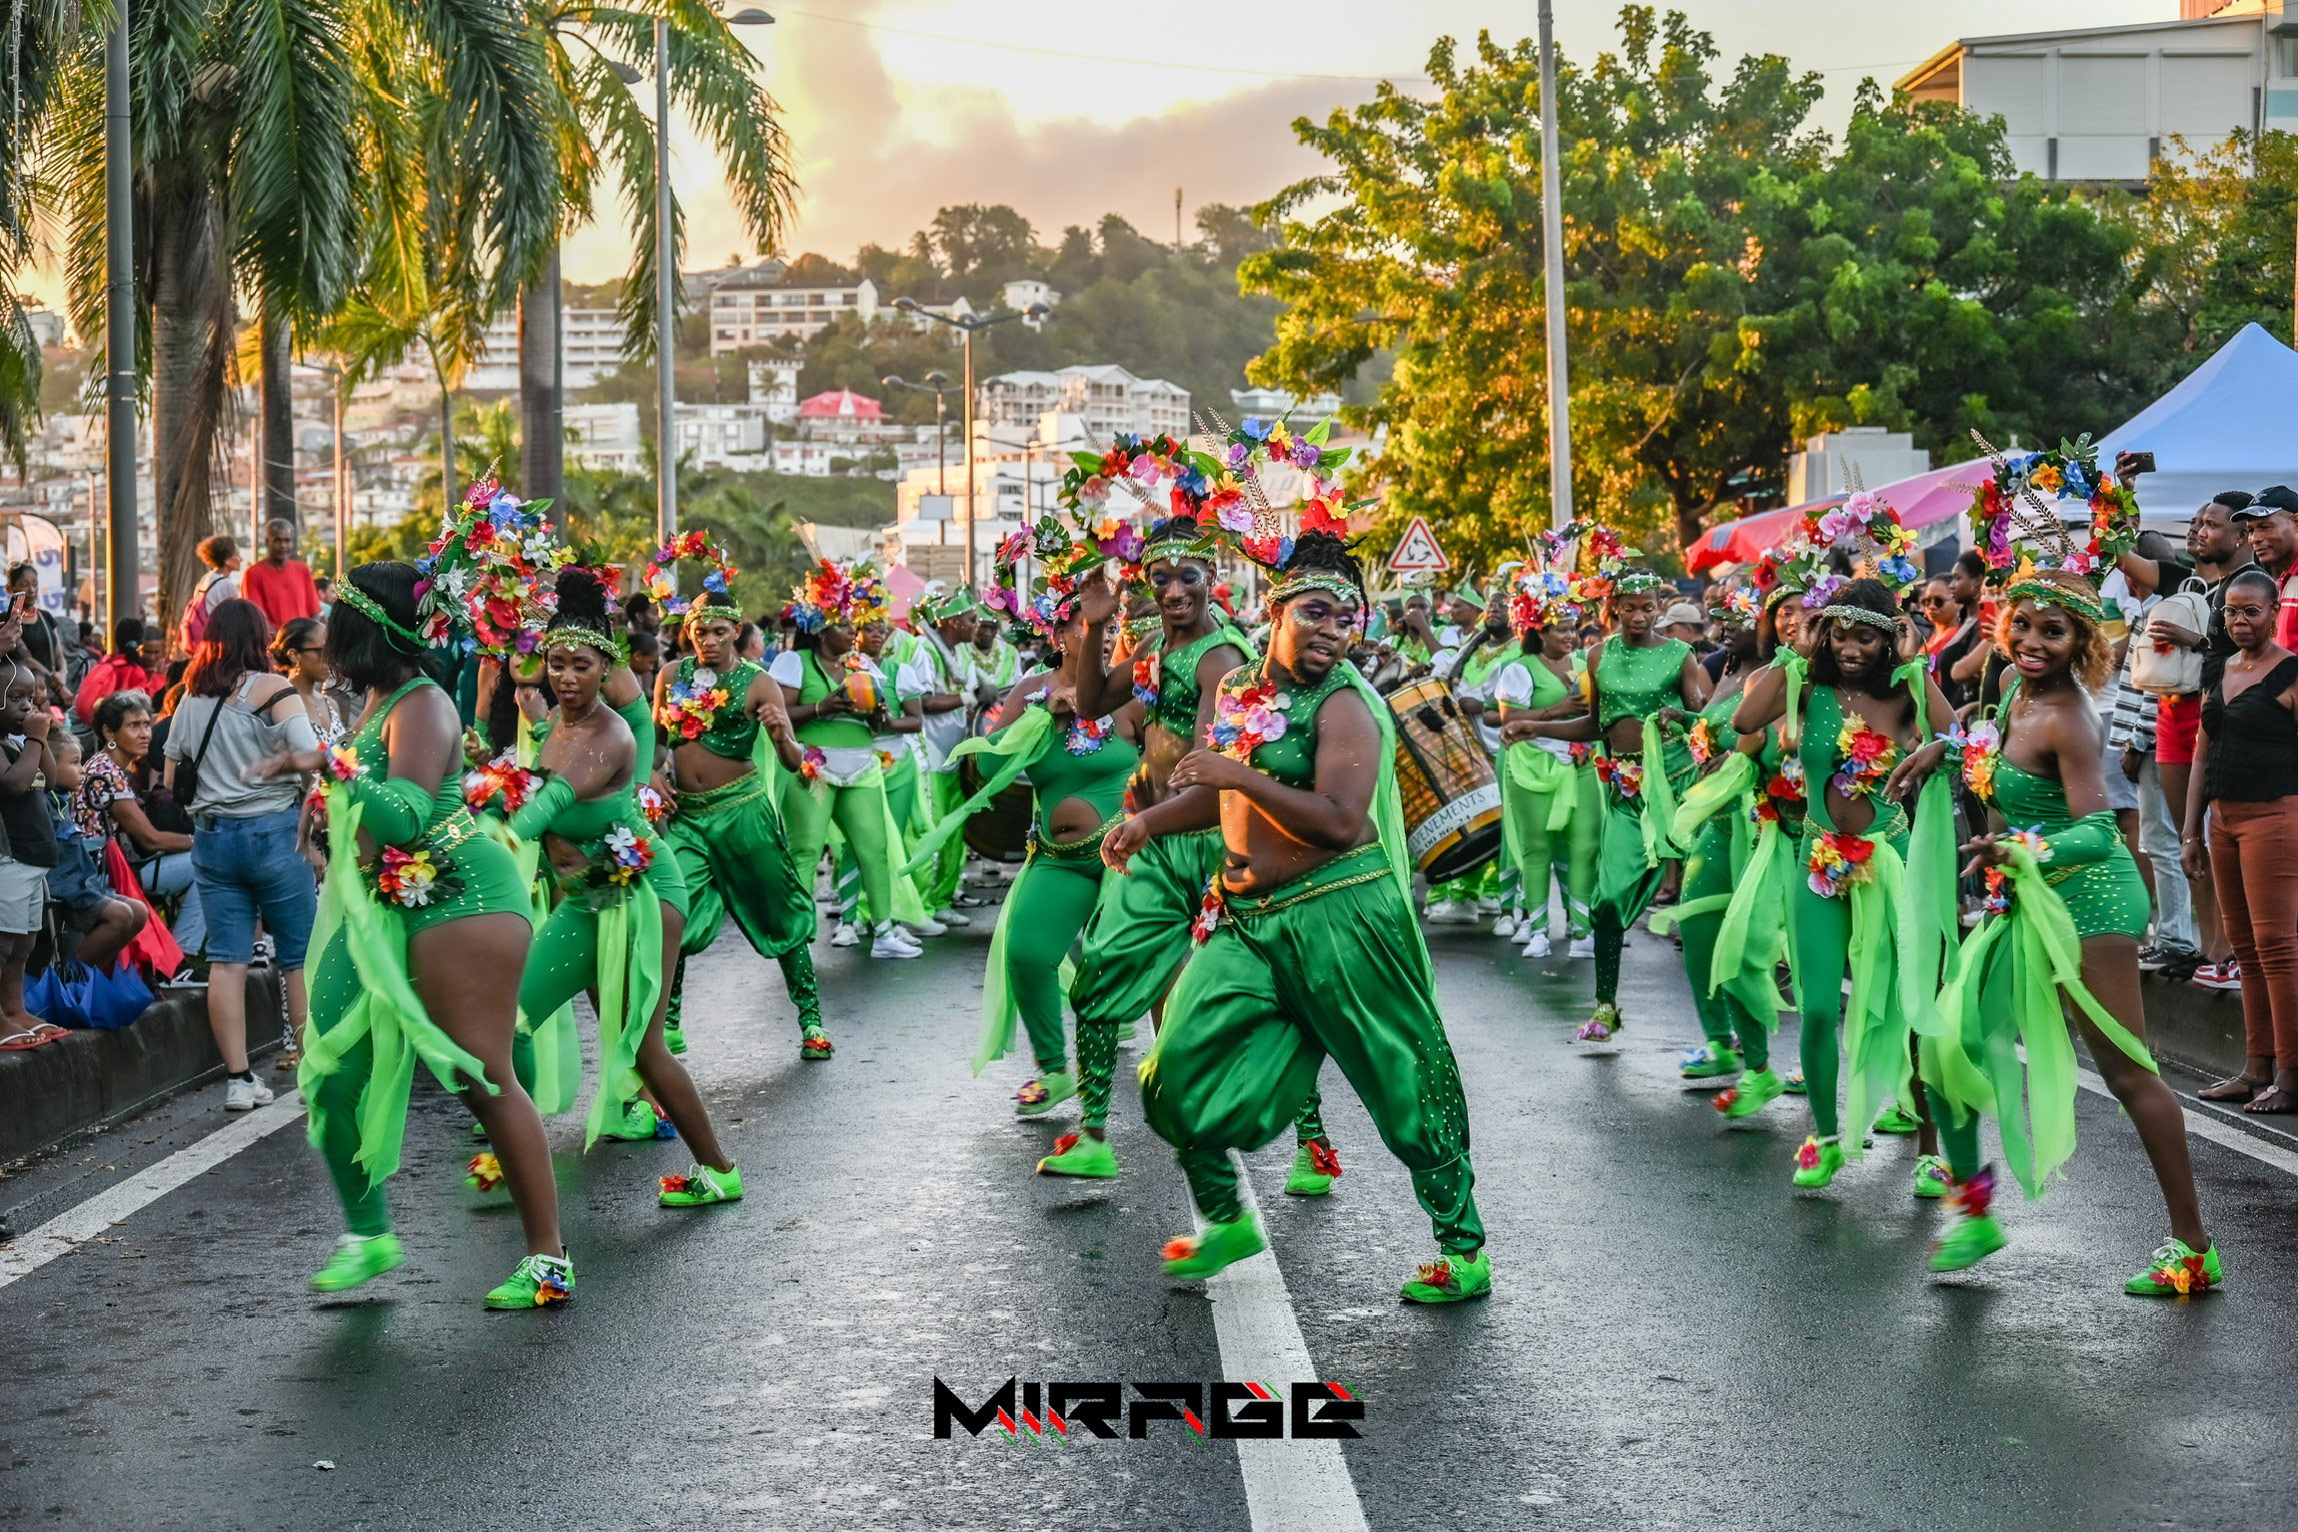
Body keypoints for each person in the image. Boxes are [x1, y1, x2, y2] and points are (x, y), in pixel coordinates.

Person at [1133, 519, 1489, 1302]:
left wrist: (1242, 775)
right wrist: (1145, 823)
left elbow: (1338, 821)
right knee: (1173, 1066)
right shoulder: (1236, 690)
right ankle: (1226, 1218)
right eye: (1316, 612)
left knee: (1403, 1082)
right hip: (1247, 923)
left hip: (1342, 916)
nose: (1333, 631)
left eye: (1346, 617)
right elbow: (1210, 791)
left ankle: (1463, 1248)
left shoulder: (1348, 708)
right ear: (1275, 609)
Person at [267, 560, 568, 1307]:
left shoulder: (425, 702)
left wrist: (330, 766)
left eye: (338, 615)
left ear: (366, 625)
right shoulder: (378, 700)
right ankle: (369, 1234)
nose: (327, 629)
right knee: (330, 1069)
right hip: (383, 905)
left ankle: (549, 1261)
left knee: (483, 1078)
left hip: (460, 897)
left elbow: (403, 815)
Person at [1937, 564, 2217, 1294]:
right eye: (2023, 625)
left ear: (2081, 642)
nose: (2032, 641)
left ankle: (2194, 1249)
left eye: (2052, 631)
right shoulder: (2008, 694)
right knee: (1952, 1042)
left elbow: (2097, 834)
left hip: (2090, 901)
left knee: (2126, 1071)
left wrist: (2024, 847)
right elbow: (1991, 761)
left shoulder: (2069, 717)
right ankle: (1973, 1214)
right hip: (2027, 897)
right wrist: (1942, 748)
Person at [1066, 514, 1338, 1187]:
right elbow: (1093, 702)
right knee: (1103, 970)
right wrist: (1097, 625)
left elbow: (1214, 775)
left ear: (1213, 579)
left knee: (1269, 989)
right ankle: (1095, 1134)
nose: (1174, 588)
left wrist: (1149, 822)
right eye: (1159, 577)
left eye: (1188, 575)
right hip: (1159, 839)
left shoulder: (1220, 660)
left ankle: (1312, 1143)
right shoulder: (1160, 646)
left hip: (1221, 842)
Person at [503, 571, 744, 1205]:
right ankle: (508, 1151)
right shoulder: (553, 723)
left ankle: (719, 1170)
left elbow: (552, 797)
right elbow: (536, 792)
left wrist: (504, 837)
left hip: (643, 891)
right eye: (555, 664)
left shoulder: (611, 733)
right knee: (511, 1019)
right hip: (587, 896)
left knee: (642, 1045)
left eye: (581, 665)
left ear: (604, 665)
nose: (566, 677)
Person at [1730, 577, 1960, 1192]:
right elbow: (1743, 718)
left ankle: (1930, 1150)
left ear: (1889, 640)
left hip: (1894, 855)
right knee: (1815, 1007)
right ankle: (1825, 1137)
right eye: (1841, 633)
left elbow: (1957, 736)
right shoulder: (1808, 683)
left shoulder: (1907, 687)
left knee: (1917, 1000)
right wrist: (1794, 653)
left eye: (1866, 637)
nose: (1851, 647)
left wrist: (1916, 667)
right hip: (1819, 858)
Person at [909, 567, 1145, 1158]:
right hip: (1059, 857)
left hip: (1126, 855)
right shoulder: (1032, 692)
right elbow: (987, 771)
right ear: (1059, 633)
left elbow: (1166, 763)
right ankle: (1054, 1066)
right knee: (1027, 953)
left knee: (1113, 971)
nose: (1102, 634)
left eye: (1109, 625)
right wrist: (1044, 722)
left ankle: (1133, 1107)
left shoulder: (1131, 690)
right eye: (1086, 626)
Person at [1510, 550, 1712, 1041]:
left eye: (1647, 607)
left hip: (1678, 788)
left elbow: (1705, 725)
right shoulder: (1599, 656)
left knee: (1704, 901)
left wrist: (1682, 722)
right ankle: (1605, 1006)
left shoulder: (1679, 656)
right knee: (1606, 902)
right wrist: (1534, 724)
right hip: (1624, 792)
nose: (1639, 616)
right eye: (1629, 607)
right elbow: (1596, 726)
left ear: (1658, 607)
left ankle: (1720, 1025)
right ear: (1614, 608)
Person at [653, 556, 831, 1059]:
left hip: (743, 813)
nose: (708, 640)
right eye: (700, 631)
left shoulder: (759, 682)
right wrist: (651, 773)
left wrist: (779, 735)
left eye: (719, 631)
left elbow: (794, 762)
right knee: (672, 913)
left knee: (781, 915)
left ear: (736, 632)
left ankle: (811, 1020)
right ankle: (667, 1023)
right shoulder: (670, 675)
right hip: (688, 818)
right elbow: (657, 742)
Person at [162, 599, 320, 1112]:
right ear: (259, 637)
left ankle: (239, 1081)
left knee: (228, 963)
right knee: (296, 960)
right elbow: (308, 753)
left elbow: (170, 780)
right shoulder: (273, 689)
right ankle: (310, 1074)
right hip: (274, 834)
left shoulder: (190, 695)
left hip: (212, 840)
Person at [2118, 491, 2254, 987]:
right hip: (2171, 718)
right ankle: (2208, 948)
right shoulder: (2183, 578)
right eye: (2195, 522)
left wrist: (2191, 638)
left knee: (2222, 839)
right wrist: (2115, 491)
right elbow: (2119, 552)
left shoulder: (2251, 584)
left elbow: (2252, 647)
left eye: (2212, 524)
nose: (2199, 530)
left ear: (2241, 534)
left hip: (2215, 716)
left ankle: (2235, 951)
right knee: (2188, 840)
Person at [2184, 567, 2298, 1115]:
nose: (2240, 619)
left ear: (2275, 613)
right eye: (2231, 610)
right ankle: (2255, 1069)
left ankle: (2290, 1075)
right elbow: (2201, 754)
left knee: (2277, 947)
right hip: (2222, 822)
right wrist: (2191, 831)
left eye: (2252, 610)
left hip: (2274, 817)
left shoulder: (2292, 673)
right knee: (2245, 947)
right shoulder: (2218, 670)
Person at [770, 561, 924, 962]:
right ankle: (799, 934)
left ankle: (885, 931)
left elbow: (880, 720)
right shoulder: (795, 664)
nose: (851, 630)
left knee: (874, 848)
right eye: (841, 624)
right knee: (806, 850)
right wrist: (824, 705)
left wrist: (877, 715)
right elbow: (780, 715)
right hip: (813, 768)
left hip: (861, 764)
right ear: (821, 630)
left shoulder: (862, 665)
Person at [1493, 574, 1599, 960]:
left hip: (1580, 764)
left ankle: (1583, 931)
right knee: (1537, 849)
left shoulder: (1586, 664)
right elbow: (1508, 720)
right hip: (1533, 766)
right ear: (1539, 632)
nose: (1570, 636)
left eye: (1572, 628)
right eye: (1561, 630)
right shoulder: (1520, 669)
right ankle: (1538, 930)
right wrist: (1558, 711)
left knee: (1585, 846)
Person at [85, 691, 203, 959]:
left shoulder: (110, 767)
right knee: (207, 861)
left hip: (113, 867)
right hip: (102, 874)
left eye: (147, 724)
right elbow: (152, 840)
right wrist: (202, 841)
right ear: (109, 733)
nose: (145, 734)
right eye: (134, 726)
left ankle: (179, 956)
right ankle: (179, 959)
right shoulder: (106, 773)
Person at [904, 588, 983, 924]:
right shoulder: (925, 650)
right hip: (932, 756)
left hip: (955, 757)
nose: (976, 625)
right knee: (933, 833)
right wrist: (968, 698)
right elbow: (923, 702)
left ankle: (942, 902)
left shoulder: (962, 654)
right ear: (951, 621)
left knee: (953, 834)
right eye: (970, 619)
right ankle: (920, 909)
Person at [44, 731, 151, 974]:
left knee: (139, 912)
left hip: (84, 885)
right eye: (74, 763)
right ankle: (69, 976)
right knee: (120, 916)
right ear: (48, 764)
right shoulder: (44, 804)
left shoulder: (62, 800)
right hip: (66, 890)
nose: (83, 770)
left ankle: (85, 973)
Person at [0, 663, 62, 1049]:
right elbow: (14, 784)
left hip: (33, 861)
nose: (25, 706)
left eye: (30, 697)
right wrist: (35, 742)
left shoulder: (19, 741)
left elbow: (51, 779)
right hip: (10, 860)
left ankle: (13, 1007)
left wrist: (40, 738)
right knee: (3, 941)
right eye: (15, 698)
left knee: (25, 941)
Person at [271, 616, 350, 743]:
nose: (330, 659)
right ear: (294, 655)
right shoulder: (283, 705)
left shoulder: (331, 705)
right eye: (323, 651)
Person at [75, 617, 165, 727]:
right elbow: (143, 702)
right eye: (147, 652)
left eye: (156, 652)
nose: (152, 657)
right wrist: (159, 679)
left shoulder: (107, 662)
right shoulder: (133, 670)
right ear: (139, 645)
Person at [8, 564, 71, 709]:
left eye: (35, 584)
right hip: (27, 698)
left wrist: (62, 674)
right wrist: (59, 687)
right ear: (12, 588)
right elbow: (26, 658)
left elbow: (59, 655)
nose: (31, 590)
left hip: (52, 695)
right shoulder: (9, 620)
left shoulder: (46, 617)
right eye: (24, 585)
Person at [241, 518, 322, 629]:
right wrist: (279, 640)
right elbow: (256, 617)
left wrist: (309, 637)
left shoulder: (303, 570)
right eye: (277, 540)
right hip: (273, 642)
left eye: (287, 541)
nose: (283, 545)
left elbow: (314, 611)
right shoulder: (253, 573)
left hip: (303, 640)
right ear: (267, 542)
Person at [177, 535, 243, 651]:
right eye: (237, 555)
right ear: (227, 560)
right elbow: (233, 619)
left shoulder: (206, 578)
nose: (241, 559)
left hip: (201, 640)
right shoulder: (226, 584)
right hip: (215, 642)